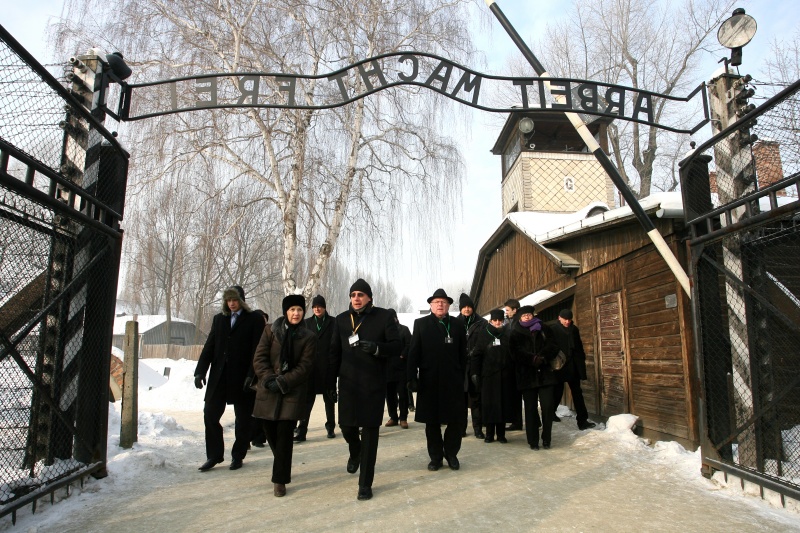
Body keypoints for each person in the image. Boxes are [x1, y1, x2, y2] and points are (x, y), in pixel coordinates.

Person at [328, 278, 401, 501]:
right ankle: (355, 451)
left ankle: (365, 483)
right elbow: (333, 354)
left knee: (370, 433)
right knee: (347, 427)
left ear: (369, 297)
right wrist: (330, 384)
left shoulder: (384, 316)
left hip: (373, 385)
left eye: (360, 295)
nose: (356, 299)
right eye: (353, 295)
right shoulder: (341, 320)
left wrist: (378, 348)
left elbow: (397, 345)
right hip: (348, 384)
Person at [194, 286, 265, 471]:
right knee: (210, 413)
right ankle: (215, 455)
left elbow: (258, 351)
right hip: (219, 377)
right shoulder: (219, 320)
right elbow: (209, 347)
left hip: (243, 378)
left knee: (243, 420)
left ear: (242, 300)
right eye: (228, 300)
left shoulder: (254, 320)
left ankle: (238, 455)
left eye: (235, 300)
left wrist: (252, 375)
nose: (232, 303)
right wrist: (200, 371)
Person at [252, 294, 315, 497]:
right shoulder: (270, 330)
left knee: (284, 435)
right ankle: (282, 461)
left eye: (299, 310)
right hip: (268, 389)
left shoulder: (308, 337)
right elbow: (260, 357)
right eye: (291, 309)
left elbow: (305, 366)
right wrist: (269, 378)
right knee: (269, 430)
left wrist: (284, 381)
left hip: (291, 391)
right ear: (285, 311)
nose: (295, 313)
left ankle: (280, 480)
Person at [408, 288, 467, 471]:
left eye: (443, 302)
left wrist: (465, 378)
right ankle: (435, 458)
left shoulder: (457, 325)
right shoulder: (421, 324)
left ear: (449, 305)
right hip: (429, 381)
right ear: (431, 305)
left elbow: (463, 355)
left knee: (456, 421)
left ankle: (451, 454)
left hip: (453, 381)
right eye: (436, 302)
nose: (440, 304)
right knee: (431, 422)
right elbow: (413, 353)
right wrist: (412, 377)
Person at [509, 305, 560, 450]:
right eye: (523, 315)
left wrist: (542, 357)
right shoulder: (515, 332)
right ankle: (533, 441)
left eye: (529, 315)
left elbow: (554, 345)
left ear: (533, 315)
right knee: (530, 409)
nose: (526, 317)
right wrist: (531, 359)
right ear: (519, 317)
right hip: (527, 376)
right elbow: (514, 353)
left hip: (545, 374)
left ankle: (546, 438)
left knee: (548, 407)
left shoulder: (544, 328)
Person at [294, 295, 337, 441]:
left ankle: (330, 426)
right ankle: (302, 430)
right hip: (310, 369)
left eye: (320, 306)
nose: (317, 309)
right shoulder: (306, 323)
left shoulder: (333, 322)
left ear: (324, 307)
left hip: (327, 367)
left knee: (329, 399)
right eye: (315, 307)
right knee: (307, 400)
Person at [470, 309, 515, 443]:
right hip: (488, 376)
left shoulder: (507, 334)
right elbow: (476, 355)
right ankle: (489, 434)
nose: (497, 323)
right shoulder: (484, 334)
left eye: (500, 321)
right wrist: (475, 373)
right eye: (495, 320)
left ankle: (501, 434)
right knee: (489, 405)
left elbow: (512, 354)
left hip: (504, 376)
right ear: (490, 321)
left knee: (502, 405)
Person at [551, 308, 597, 431]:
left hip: (573, 366)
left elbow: (579, 346)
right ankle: (550, 413)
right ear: (559, 318)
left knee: (577, 393)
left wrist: (581, 361)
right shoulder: (553, 330)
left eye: (569, 319)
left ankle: (582, 421)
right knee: (557, 391)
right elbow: (550, 347)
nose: (567, 322)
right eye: (565, 319)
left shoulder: (574, 329)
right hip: (560, 366)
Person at [459, 293, 486, 439]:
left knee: (476, 399)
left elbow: (484, 341)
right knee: (461, 400)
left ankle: (478, 429)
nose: (467, 309)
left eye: (469, 306)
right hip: (461, 367)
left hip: (476, 365)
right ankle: (462, 428)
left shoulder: (481, 322)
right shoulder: (455, 322)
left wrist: (475, 352)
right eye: (464, 307)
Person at [385, 309, 411, 429]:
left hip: (401, 367)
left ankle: (403, 418)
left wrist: (403, 355)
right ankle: (393, 417)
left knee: (403, 393)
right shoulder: (384, 331)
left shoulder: (404, 329)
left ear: (396, 317)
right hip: (388, 367)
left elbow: (409, 344)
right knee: (389, 395)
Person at [503, 298, 523, 431]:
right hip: (517, 363)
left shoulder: (517, 323)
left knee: (518, 395)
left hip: (517, 364)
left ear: (515, 310)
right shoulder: (512, 322)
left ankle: (517, 422)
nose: (506, 313)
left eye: (508, 310)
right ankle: (518, 421)